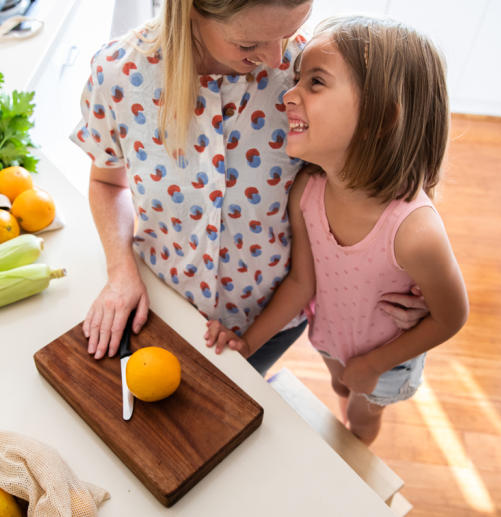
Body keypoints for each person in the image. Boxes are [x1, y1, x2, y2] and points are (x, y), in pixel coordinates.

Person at [70, 1, 428, 376]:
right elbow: (107, 183)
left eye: (289, 32)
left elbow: (380, 168)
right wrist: (121, 271)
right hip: (163, 306)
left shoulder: (308, 78)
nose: (277, 59)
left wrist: (411, 281)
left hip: (271, 322)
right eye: (248, 44)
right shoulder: (118, 76)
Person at [205, 16, 469, 445]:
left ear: (381, 117)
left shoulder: (416, 233)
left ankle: (358, 441)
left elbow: (452, 315)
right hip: (329, 340)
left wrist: (375, 364)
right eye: (297, 80)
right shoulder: (306, 192)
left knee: (362, 420)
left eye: (315, 83)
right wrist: (248, 344)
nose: (288, 95)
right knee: (342, 387)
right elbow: (301, 282)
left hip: (389, 364)